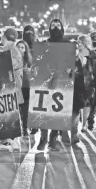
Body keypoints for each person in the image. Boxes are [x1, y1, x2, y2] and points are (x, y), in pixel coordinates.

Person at [37, 19, 70, 151]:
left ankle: (53, 138)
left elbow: (72, 63)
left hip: (61, 81)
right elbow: (39, 61)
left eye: (58, 25)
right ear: (49, 28)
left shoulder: (67, 44)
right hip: (46, 80)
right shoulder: (45, 44)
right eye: (53, 25)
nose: (55, 27)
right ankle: (43, 137)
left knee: (58, 111)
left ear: (62, 27)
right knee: (43, 110)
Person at [0, 28, 24, 151]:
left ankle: (12, 141)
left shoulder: (13, 51)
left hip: (12, 86)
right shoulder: (9, 50)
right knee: (6, 112)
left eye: (3, 36)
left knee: (10, 113)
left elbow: (11, 66)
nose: (1, 38)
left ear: (6, 37)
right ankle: (5, 140)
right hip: (8, 85)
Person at [16, 40, 33, 135]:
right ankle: (18, 127)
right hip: (16, 87)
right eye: (18, 46)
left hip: (27, 86)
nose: (20, 49)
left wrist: (30, 70)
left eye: (22, 47)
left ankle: (25, 128)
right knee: (17, 109)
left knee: (26, 110)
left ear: (25, 50)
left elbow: (35, 72)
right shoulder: (11, 58)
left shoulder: (29, 60)